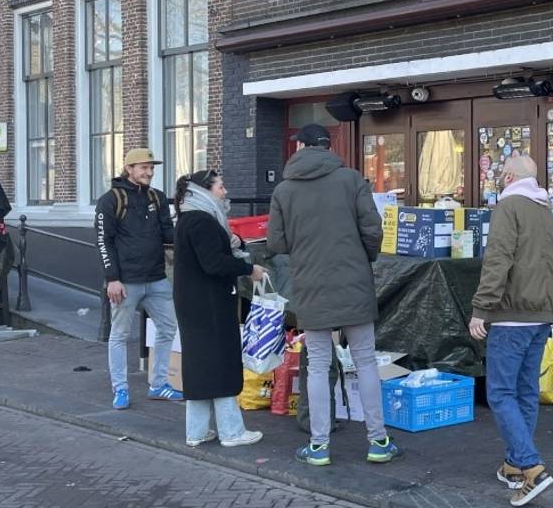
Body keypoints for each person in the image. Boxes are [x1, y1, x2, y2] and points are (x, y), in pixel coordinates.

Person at [267, 123, 399, 466]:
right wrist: (361, 257)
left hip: (311, 283)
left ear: (303, 148)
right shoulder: (352, 179)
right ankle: (378, 441)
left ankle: (319, 446)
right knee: (366, 361)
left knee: (319, 365)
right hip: (353, 281)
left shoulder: (284, 190)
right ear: (327, 147)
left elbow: (277, 243)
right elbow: (373, 229)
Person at [468, 154, 553, 508]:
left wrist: (482, 308)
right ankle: (512, 465)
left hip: (511, 315)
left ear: (508, 176)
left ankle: (531, 468)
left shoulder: (509, 208)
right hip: (541, 313)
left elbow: (498, 259)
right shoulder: (545, 210)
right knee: (525, 391)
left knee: (500, 393)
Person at [172, 170, 266, 448]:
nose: (225, 192)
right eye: (221, 187)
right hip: (209, 303)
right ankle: (231, 431)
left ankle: (197, 431)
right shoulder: (203, 220)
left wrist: (231, 243)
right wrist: (249, 268)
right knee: (220, 362)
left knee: (200, 365)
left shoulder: (191, 217)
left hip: (194, 302)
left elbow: (210, 253)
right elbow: (213, 263)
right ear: (206, 191)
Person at [96, 148, 182, 410]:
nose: (149, 172)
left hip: (156, 278)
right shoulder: (110, 200)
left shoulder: (157, 197)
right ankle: (120, 389)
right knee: (120, 335)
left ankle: (158, 385)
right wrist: (112, 278)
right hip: (125, 281)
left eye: (151, 167)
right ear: (129, 169)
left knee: (168, 328)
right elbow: (103, 241)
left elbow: (169, 234)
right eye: (144, 167)